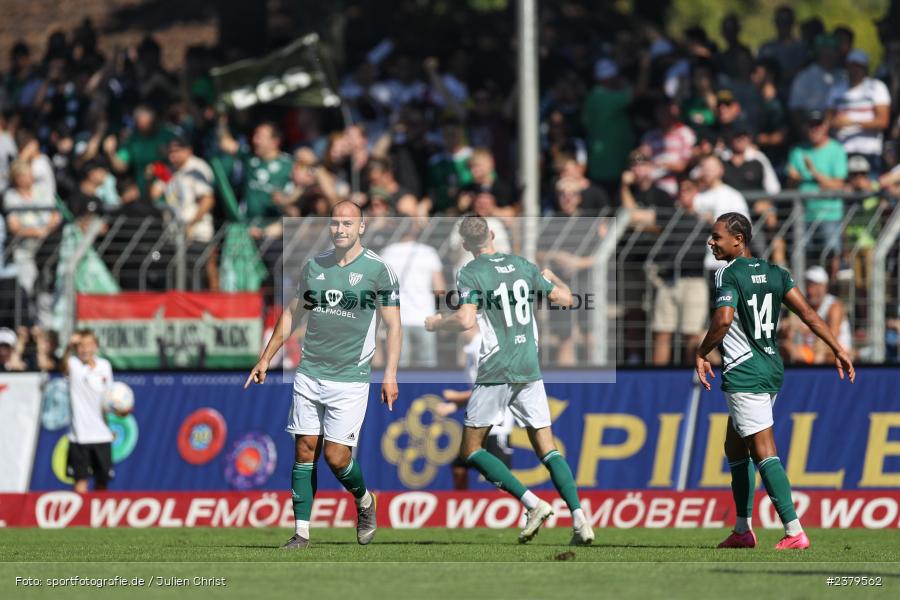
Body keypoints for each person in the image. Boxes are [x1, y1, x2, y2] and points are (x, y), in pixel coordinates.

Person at [424, 215, 593, 546]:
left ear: (464, 245)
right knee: (547, 447)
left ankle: (533, 504)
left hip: (497, 368)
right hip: (529, 365)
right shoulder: (523, 265)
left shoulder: (470, 272)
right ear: (491, 234)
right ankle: (580, 519)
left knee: (471, 450)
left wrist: (436, 323)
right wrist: (554, 276)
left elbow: (465, 319)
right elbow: (567, 299)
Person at [245, 201, 401, 550]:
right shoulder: (314, 266)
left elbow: (393, 326)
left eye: (348, 223)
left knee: (336, 457)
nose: (340, 229)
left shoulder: (380, 271)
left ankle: (364, 501)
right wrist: (265, 358)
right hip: (310, 372)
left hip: (350, 377)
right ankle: (301, 533)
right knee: (304, 448)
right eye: (335, 223)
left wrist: (390, 374)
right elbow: (291, 314)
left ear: (361, 227)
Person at [695, 213, 854, 550]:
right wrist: (837, 348)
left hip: (744, 371)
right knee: (735, 447)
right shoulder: (775, 273)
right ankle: (742, 530)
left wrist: (701, 351)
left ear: (738, 240)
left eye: (717, 236)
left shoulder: (728, 272)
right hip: (770, 368)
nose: (711, 242)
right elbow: (810, 314)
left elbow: (723, 321)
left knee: (763, 450)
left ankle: (794, 530)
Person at [62, 329, 125, 493]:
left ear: (95, 346)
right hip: (79, 437)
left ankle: (96, 519)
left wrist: (119, 410)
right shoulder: (74, 364)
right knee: (80, 482)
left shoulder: (105, 366)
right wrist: (69, 346)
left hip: (102, 435)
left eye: (88, 345)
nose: (85, 349)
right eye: (81, 346)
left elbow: (110, 398)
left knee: (102, 483)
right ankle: (80, 517)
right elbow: (63, 366)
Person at [380, 220, 445, 367]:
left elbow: (380, 290)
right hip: (425, 317)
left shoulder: (387, 253)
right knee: (428, 367)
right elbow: (439, 289)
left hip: (396, 319)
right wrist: (439, 313)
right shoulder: (428, 252)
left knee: (397, 367)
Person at [157, 137, 218, 290]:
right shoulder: (173, 172)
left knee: (199, 275)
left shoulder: (196, 168)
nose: (172, 156)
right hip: (177, 236)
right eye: (170, 152)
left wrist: (191, 224)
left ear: (188, 150)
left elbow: (208, 200)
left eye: (176, 151)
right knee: (182, 278)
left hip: (197, 233)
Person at [826, 49, 891, 174]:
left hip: (869, 151)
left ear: (865, 68)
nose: (854, 70)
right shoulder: (836, 89)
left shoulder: (876, 87)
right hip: (842, 151)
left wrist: (852, 122)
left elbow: (883, 121)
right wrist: (835, 123)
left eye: (858, 66)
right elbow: (828, 119)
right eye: (851, 66)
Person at [781, 266, 853, 364]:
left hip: (836, 352)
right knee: (785, 348)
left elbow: (832, 337)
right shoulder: (804, 304)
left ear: (824, 287)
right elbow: (789, 331)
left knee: (820, 350)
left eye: (815, 285)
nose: (811, 289)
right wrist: (788, 328)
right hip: (811, 352)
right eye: (809, 284)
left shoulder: (834, 306)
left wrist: (804, 329)